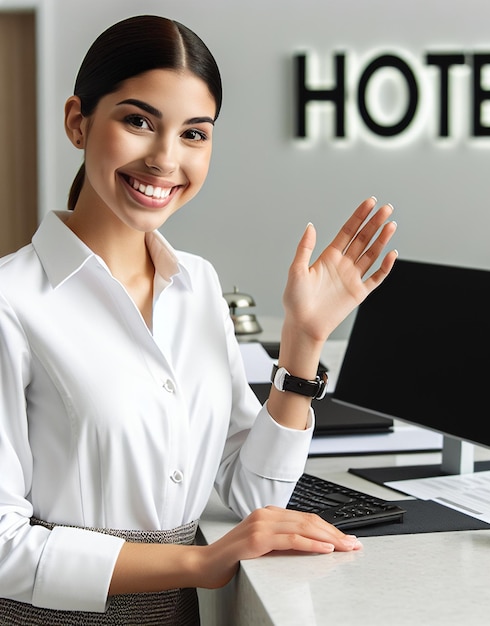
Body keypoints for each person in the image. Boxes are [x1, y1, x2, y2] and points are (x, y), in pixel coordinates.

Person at [0, 14, 397, 625]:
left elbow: (248, 496)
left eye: (194, 134)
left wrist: (303, 341)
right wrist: (196, 564)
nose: (165, 159)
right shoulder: (10, 301)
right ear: (78, 121)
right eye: (139, 122)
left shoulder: (199, 285)